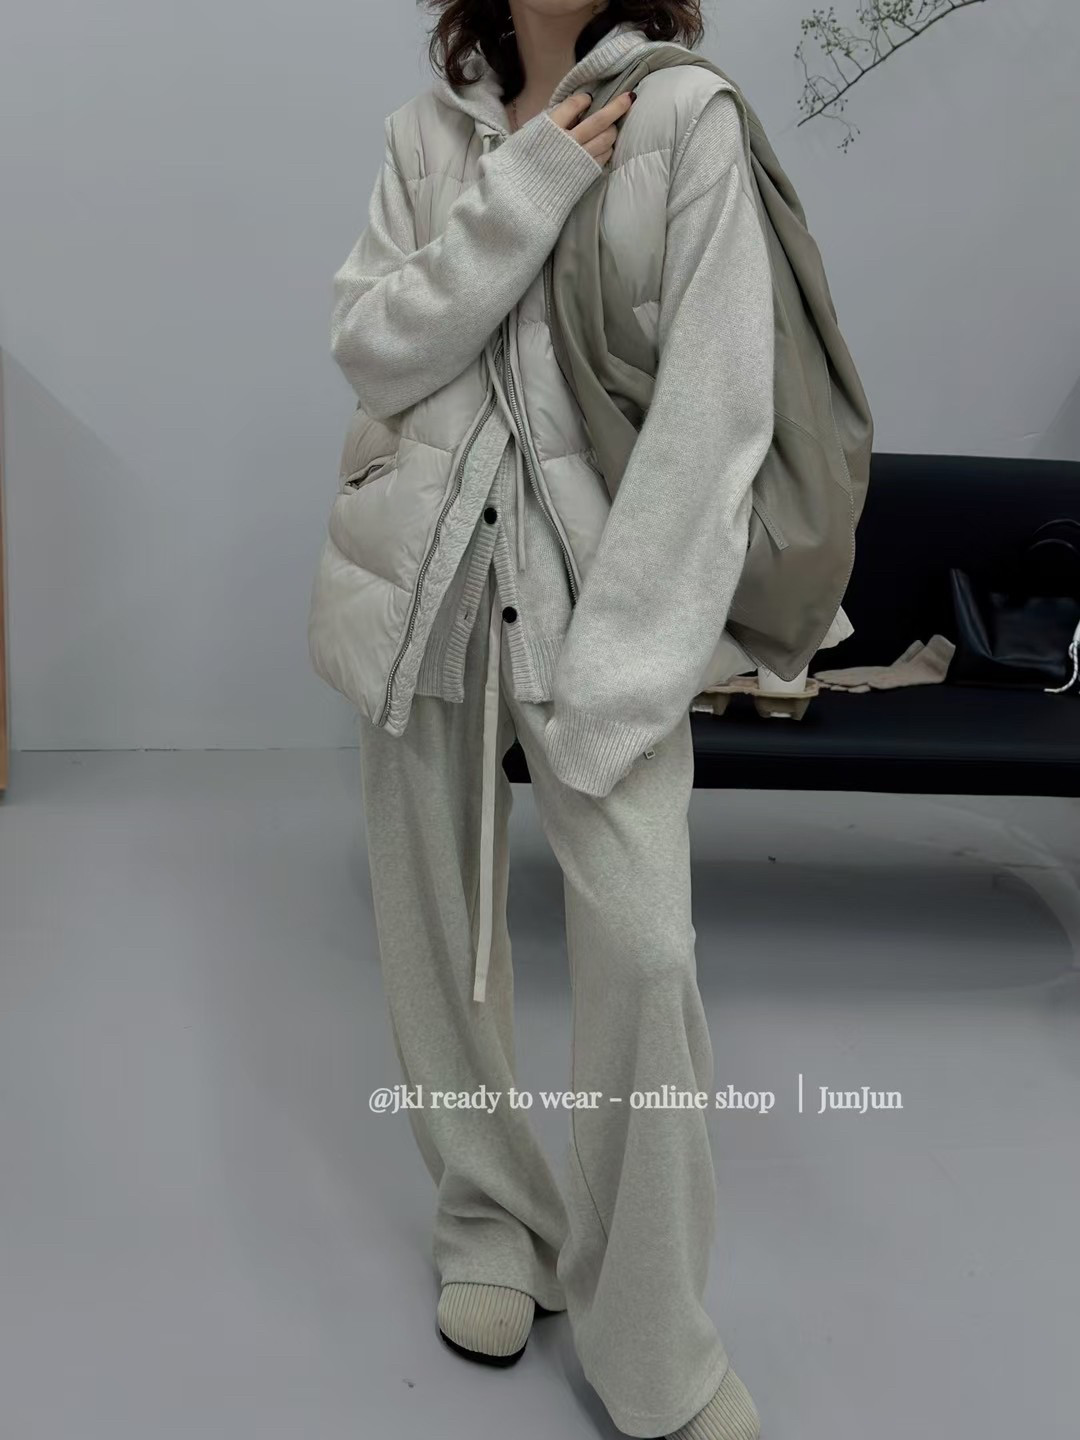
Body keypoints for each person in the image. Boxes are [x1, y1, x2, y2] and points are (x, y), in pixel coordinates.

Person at [322, 4, 773, 1437]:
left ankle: (653, 1337)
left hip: (599, 598)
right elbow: (374, 349)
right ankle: (492, 1218)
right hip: (426, 581)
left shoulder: (688, 119)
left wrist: (628, 668)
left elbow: (716, 418)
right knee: (433, 932)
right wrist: (528, 186)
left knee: (644, 951)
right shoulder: (425, 134)